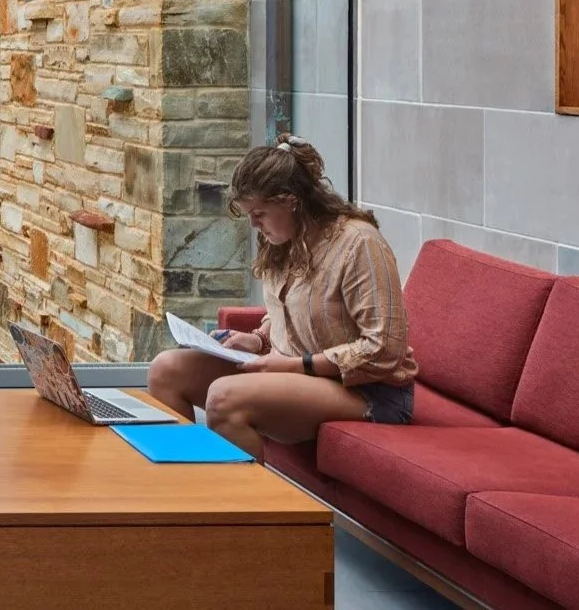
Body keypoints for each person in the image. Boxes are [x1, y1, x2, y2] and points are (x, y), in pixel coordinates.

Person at [147, 135, 417, 459]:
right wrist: (258, 339)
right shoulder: (285, 239)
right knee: (166, 369)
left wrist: (295, 366)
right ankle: (182, 493)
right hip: (295, 370)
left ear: (291, 200)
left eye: (259, 213)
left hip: (365, 390)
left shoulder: (359, 244)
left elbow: (384, 348)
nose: (253, 224)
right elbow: (291, 308)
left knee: (224, 397)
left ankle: (248, 509)